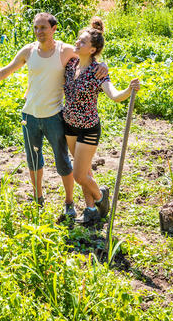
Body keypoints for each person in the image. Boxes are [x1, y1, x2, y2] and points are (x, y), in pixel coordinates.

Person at [0, 12, 108, 218]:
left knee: (63, 162)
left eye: (43, 27)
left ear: (53, 29)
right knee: (34, 160)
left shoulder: (65, 50)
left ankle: (69, 203)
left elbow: (89, 58)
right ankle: (38, 198)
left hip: (55, 116)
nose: (39, 31)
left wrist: (103, 65)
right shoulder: (29, 51)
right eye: (36, 27)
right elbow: (5, 71)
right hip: (29, 115)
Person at [63, 17, 140, 226]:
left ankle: (100, 197)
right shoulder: (71, 64)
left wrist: (128, 90)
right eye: (78, 40)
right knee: (85, 171)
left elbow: (114, 95)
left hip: (88, 128)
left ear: (93, 50)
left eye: (82, 42)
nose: (77, 44)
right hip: (68, 125)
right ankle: (89, 210)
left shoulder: (97, 72)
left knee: (79, 175)